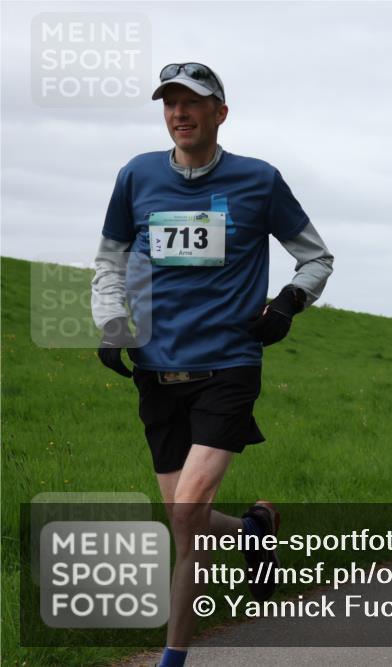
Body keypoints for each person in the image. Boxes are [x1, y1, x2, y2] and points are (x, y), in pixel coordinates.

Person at [90, 63, 333, 667]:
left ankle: (172, 659)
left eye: (192, 102)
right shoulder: (137, 175)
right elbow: (109, 261)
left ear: (220, 113)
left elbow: (315, 257)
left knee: (187, 515)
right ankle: (253, 532)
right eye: (169, 102)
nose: (179, 113)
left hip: (227, 364)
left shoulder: (258, 180)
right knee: (186, 522)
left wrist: (289, 303)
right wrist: (111, 322)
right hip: (155, 368)